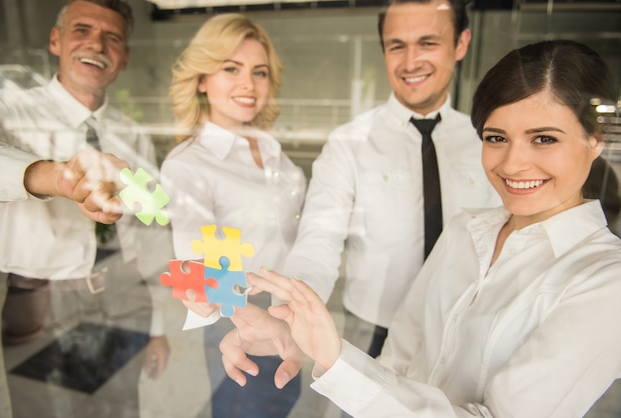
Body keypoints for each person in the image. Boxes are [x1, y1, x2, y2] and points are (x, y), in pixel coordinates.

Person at [222, 39, 621, 417]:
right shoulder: (466, 229)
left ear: (595, 140)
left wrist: (334, 358)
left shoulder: (606, 281)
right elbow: (398, 356)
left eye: (544, 139)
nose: (513, 164)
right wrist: (298, 325)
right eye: (496, 137)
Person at [280, 0, 500, 359]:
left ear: (461, 44)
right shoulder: (349, 142)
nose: (410, 61)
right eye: (397, 45)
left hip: (463, 329)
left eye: (428, 43)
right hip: (371, 330)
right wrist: (295, 311)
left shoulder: (486, 141)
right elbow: (319, 237)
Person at [0, 0, 173, 415]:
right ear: (55, 40)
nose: (97, 44)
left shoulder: (133, 135)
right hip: (43, 297)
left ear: (124, 58)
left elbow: (150, 233)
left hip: (127, 293)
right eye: (82, 30)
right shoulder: (9, 109)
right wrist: (59, 178)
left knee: (123, 407)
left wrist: (159, 327)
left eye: (112, 38)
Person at [160, 13, 306, 418]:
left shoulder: (273, 150)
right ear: (202, 79)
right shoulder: (189, 164)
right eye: (231, 69)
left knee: (283, 405)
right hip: (242, 322)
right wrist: (255, 322)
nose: (249, 84)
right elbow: (200, 274)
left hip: (287, 313)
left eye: (259, 72)